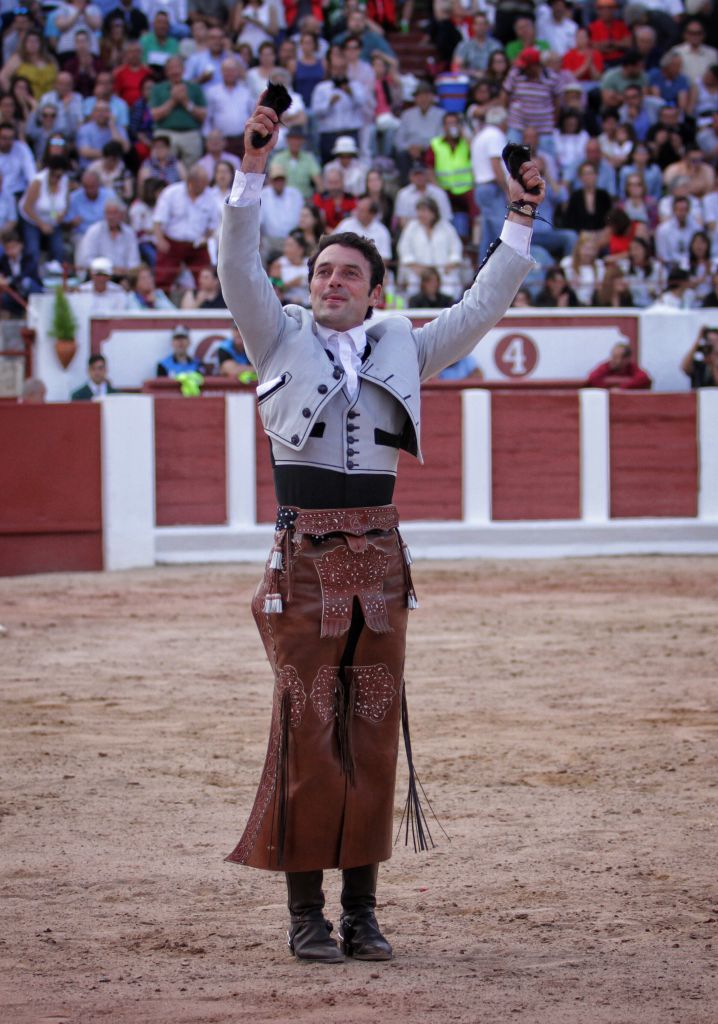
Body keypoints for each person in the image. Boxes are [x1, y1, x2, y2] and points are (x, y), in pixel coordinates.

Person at [217, 97, 543, 964]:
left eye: (349, 274)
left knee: (370, 733)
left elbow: (480, 307)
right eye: (322, 270)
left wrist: (520, 217)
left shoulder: (404, 343)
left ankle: (361, 913)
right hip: (304, 562)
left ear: (375, 291)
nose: (332, 281)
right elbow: (237, 264)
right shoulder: (274, 335)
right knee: (308, 730)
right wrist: (252, 171)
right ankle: (306, 916)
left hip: (380, 564)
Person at [153, 165, 219, 290]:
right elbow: (158, 220)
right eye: (203, 183)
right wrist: (160, 240)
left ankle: (204, 299)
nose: (205, 187)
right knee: (163, 277)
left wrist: (205, 238)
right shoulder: (171, 192)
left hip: (197, 245)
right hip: (171, 243)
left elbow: (213, 224)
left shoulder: (210, 197)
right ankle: (160, 299)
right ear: (191, 182)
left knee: (206, 275)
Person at [585, 342, 651, 389]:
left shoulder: (631, 367)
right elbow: (593, 377)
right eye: (613, 356)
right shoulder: (606, 366)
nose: (613, 360)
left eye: (616, 357)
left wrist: (621, 388)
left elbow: (643, 378)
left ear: (626, 359)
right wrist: (608, 390)